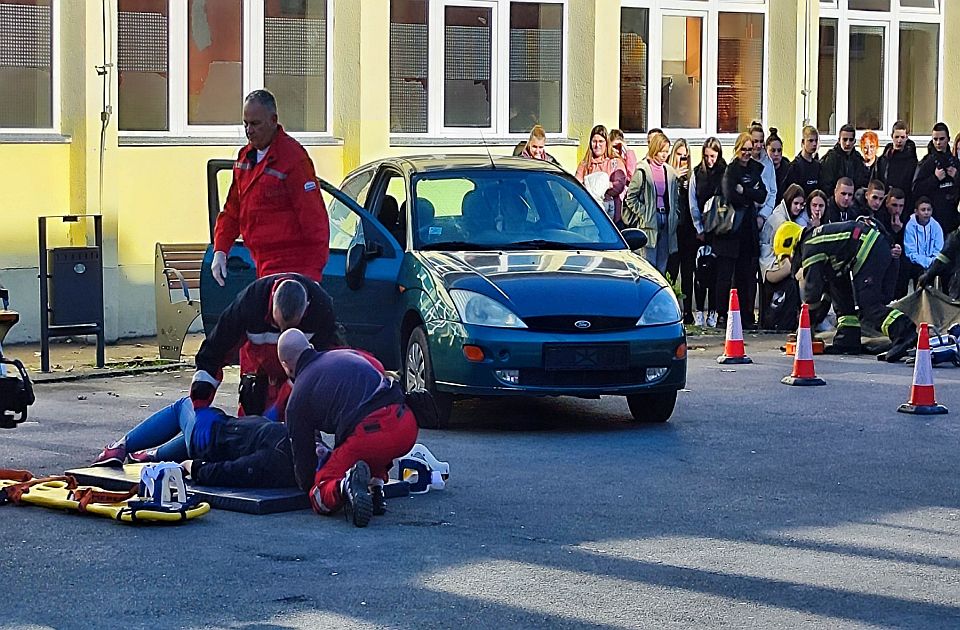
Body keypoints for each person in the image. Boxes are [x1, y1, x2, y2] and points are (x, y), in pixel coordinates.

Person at [279, 329, 419, 528]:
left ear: (285, 364)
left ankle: (345, 487)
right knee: (367, 446)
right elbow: (378, 368)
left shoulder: (297, 398)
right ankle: (376, 488)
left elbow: (304, 460)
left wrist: (311, 481)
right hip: (406, 424)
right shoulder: (346, 354)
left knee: (318, 493)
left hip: (370, 434)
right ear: (310, 347)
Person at [211, 90, 330, 284]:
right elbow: (233, 211)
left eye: (255, 124)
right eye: (245, 124)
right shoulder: (244, 158)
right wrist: (220, 250)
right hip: (261, 263)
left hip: (292, 267)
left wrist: (312, 276)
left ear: (273, 120)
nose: (249, 130)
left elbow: (314, 221)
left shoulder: (293, 159)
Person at [190, 274, 337, 421]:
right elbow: (213, 352)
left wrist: (282, 403)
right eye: (277, 324)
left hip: (297, 376)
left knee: (299, 421)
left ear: (306, 308)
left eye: (290, 328)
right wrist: (200, 406)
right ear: (272, 300)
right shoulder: (250, 303)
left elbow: (319, 367)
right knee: (249, 427)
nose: (282, 333)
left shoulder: (321, 310)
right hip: (257, 372)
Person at [92, 397, 297, 489]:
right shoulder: (299, 443)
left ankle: (121, 447)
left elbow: (232, 471)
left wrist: (194, 467)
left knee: (182, 407)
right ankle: (153, 455)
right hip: (221, 433)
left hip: (213, 439)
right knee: (190, 434)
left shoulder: (276, 458)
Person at [793, 218, 917, 361]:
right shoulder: (819, 241)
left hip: (868, 247)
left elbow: (812, 293)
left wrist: (805, 328)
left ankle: (905, 332)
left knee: (869, 305)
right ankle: (847, 339)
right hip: (871, 245)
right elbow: (829, 288)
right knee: (839, 290)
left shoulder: (810, 245)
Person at [716, 132, 766, 330]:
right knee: (726, 274)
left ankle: (746, 315)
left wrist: (744, 191)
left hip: (748, 229)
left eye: (749, 149)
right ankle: (722, 314)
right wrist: (747, 194)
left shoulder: (755, 168)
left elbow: (761, 195)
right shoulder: (731, 170)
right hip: (731, 229)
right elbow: (730, 195)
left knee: (746, 275)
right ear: (737, 150)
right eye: (743, 149)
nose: (746, 153)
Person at [623, 131, 680, 275]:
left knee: (662, 264)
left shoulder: (670, 172)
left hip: (666, 220)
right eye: (662, 151)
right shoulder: (643, 170)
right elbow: (631, 198)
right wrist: (645, 212)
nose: (665, 155)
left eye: (667, 151)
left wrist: (675, 215)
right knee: (648, 264)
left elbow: (675, 199)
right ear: (655, 150)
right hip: (649, 221)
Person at [689, 138, 726, 327]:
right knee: (701, 271)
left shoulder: (724, 172)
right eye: (706, 156)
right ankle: (700, 311)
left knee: (715, 271)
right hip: (703, 229)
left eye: (713, 156)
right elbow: (693, 202)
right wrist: (698, 227)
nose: (710, 160)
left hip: (719, 229)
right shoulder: (697, 173)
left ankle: (713, 311)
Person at [913, 122, 960, 236]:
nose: (938, 143)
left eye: (941, 139)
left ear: (948, 139)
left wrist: (957, 176)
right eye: (935, 139)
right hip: (933, 219)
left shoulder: (955, 162)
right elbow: (915, 189)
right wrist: (935, 179)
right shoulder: (926, 162)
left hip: (952, 218)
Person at [666, 139, 695, 323]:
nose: (682, 160)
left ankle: (687, 311)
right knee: (671, 270)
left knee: (688, 271)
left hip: (688, 229)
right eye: (679, 155)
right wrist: (674, 179)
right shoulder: (668, 175)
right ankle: (670, 309)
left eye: (686, 157)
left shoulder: (691, 177)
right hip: (673, 229)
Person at [576, 125, 628, 226]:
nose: (597, 145)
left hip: (612, 219)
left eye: (601, 141)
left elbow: (619, 185)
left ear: (606, 143)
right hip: (589, 216)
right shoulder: (585, 164)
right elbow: (577, 185)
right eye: (594, 141)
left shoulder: (615, 162)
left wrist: (601, 186)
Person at [902, 197, 945, 291]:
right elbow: (910, 252)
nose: (926, 213)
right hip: (916, 263)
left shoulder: (936, 226)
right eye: (923, 210)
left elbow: (939, 249)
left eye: (928, 210)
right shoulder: (910, 226)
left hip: (933, 262)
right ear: (916, 211)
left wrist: (932, 262)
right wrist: (925, 262)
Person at [875, 121, 918, 210]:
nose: (899, 140)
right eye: (897, 137)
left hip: (903, 204)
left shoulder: (911, 161)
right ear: (892, 136)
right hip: (884, 202)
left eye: (902, 137)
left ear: (907, 137)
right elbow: (877, 180)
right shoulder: (883, 159)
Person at [820, 123, 870, 196]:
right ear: (839, 140)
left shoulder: (858, 159)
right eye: (845, 139)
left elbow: (863, 182)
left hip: (853, 201)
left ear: (854, 141)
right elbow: (826, 184)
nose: (847, 143)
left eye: (851, 140)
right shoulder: (831, 158)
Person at [878, 188, 909, 298]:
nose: (897, 210)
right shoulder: (880, 215)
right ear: (887, 204)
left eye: (901, 206)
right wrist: (894, 232)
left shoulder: (905, 216)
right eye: (894, 205)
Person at [919, 226, 960, 298]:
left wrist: (928, 276)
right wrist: (929, 275)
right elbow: (943, 258)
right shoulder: (956, 238)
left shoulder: (956, 237)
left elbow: (944, 257)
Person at [749, 121, 777, 226]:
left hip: (764, 214)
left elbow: (773, 191)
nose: (758, 145)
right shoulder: (741, 161)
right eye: (755, 141)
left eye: (761, 142)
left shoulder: (768, 162)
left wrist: (763, 215)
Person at [784, 126, 822, 197]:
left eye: (816, 140)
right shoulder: (794, 167)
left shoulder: (818, 166)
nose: (814, 144)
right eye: (810, 140)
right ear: (803, 142)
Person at [766, 127, 791, 204]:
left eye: (779, 150)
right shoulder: (761, 168)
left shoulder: (789, 169)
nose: (776, 154)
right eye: (773, 150)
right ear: (766, 150)